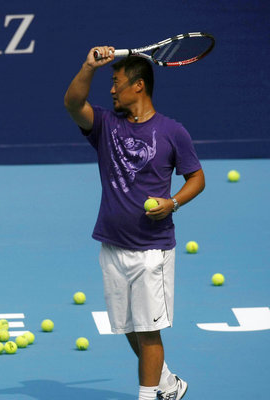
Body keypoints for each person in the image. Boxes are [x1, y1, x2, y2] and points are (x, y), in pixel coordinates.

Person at [64, 48, 205, 400]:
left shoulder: (173, 132)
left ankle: (150, 396)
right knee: (129, 327)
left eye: (116, 83)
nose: (111, 90)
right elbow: (72, 102)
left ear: (138, 86)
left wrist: (172, 202)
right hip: (112, 245)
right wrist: (88, 66)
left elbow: (197, 177)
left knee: (148, 332)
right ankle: (169, 384)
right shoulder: (104, 126)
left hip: (151, 251)